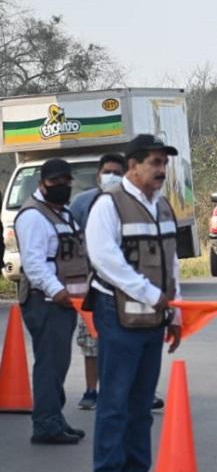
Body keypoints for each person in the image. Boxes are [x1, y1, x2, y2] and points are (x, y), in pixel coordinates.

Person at [87, 134, 183, 472]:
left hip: (153, 316)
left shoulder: (163, 206)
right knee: (115, 399)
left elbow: (172, 264)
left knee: (142, 403)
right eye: (154, 163)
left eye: (164, 163)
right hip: (118, 314)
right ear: (133, 166)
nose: (161, 170)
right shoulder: (109, 205)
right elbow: (105, 261)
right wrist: (150, 294)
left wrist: (175, 312)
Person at [13, 158, 90, 445]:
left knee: (58, 363)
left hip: (65, 301)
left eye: (66, 181)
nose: (62, 186)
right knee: (50, 364)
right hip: (45, 300)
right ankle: (46, 424)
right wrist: (57, 291)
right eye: (55, 181)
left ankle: (54, 417)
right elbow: (34, 264)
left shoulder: (63, 213)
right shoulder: (33, 216)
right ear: (41, 184)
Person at [69, 153, 126, 410]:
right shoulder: (82, 203)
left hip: (125, 286)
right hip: (91, 285)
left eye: (117, 173)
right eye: (107, 172)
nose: (111, 176)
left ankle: (128, 390)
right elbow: (70, 242)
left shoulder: (132, 203)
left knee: (125, 342)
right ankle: (92, 390)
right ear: (98, 175)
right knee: (90, 341)